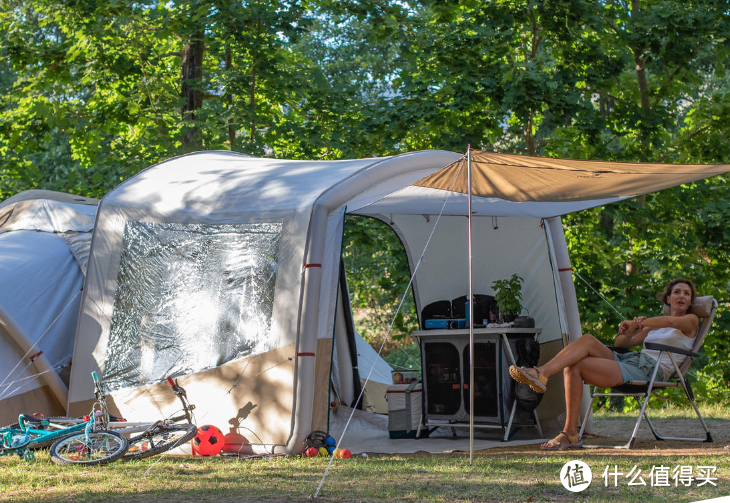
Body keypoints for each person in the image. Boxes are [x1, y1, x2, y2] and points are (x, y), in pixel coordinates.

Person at [509, 278, 699, 450]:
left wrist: (641, 322)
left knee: (576, 366)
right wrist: (627, 331)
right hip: (632, 361)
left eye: (686, 293)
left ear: (690, 301)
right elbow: (621, 345)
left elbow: (671, 321)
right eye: (677, 292)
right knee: (587, 340)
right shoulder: (653, 326)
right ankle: (541, 373)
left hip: (651, 370)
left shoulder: (691, 321)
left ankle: (569, 433)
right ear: (668, 299)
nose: (681, 296)